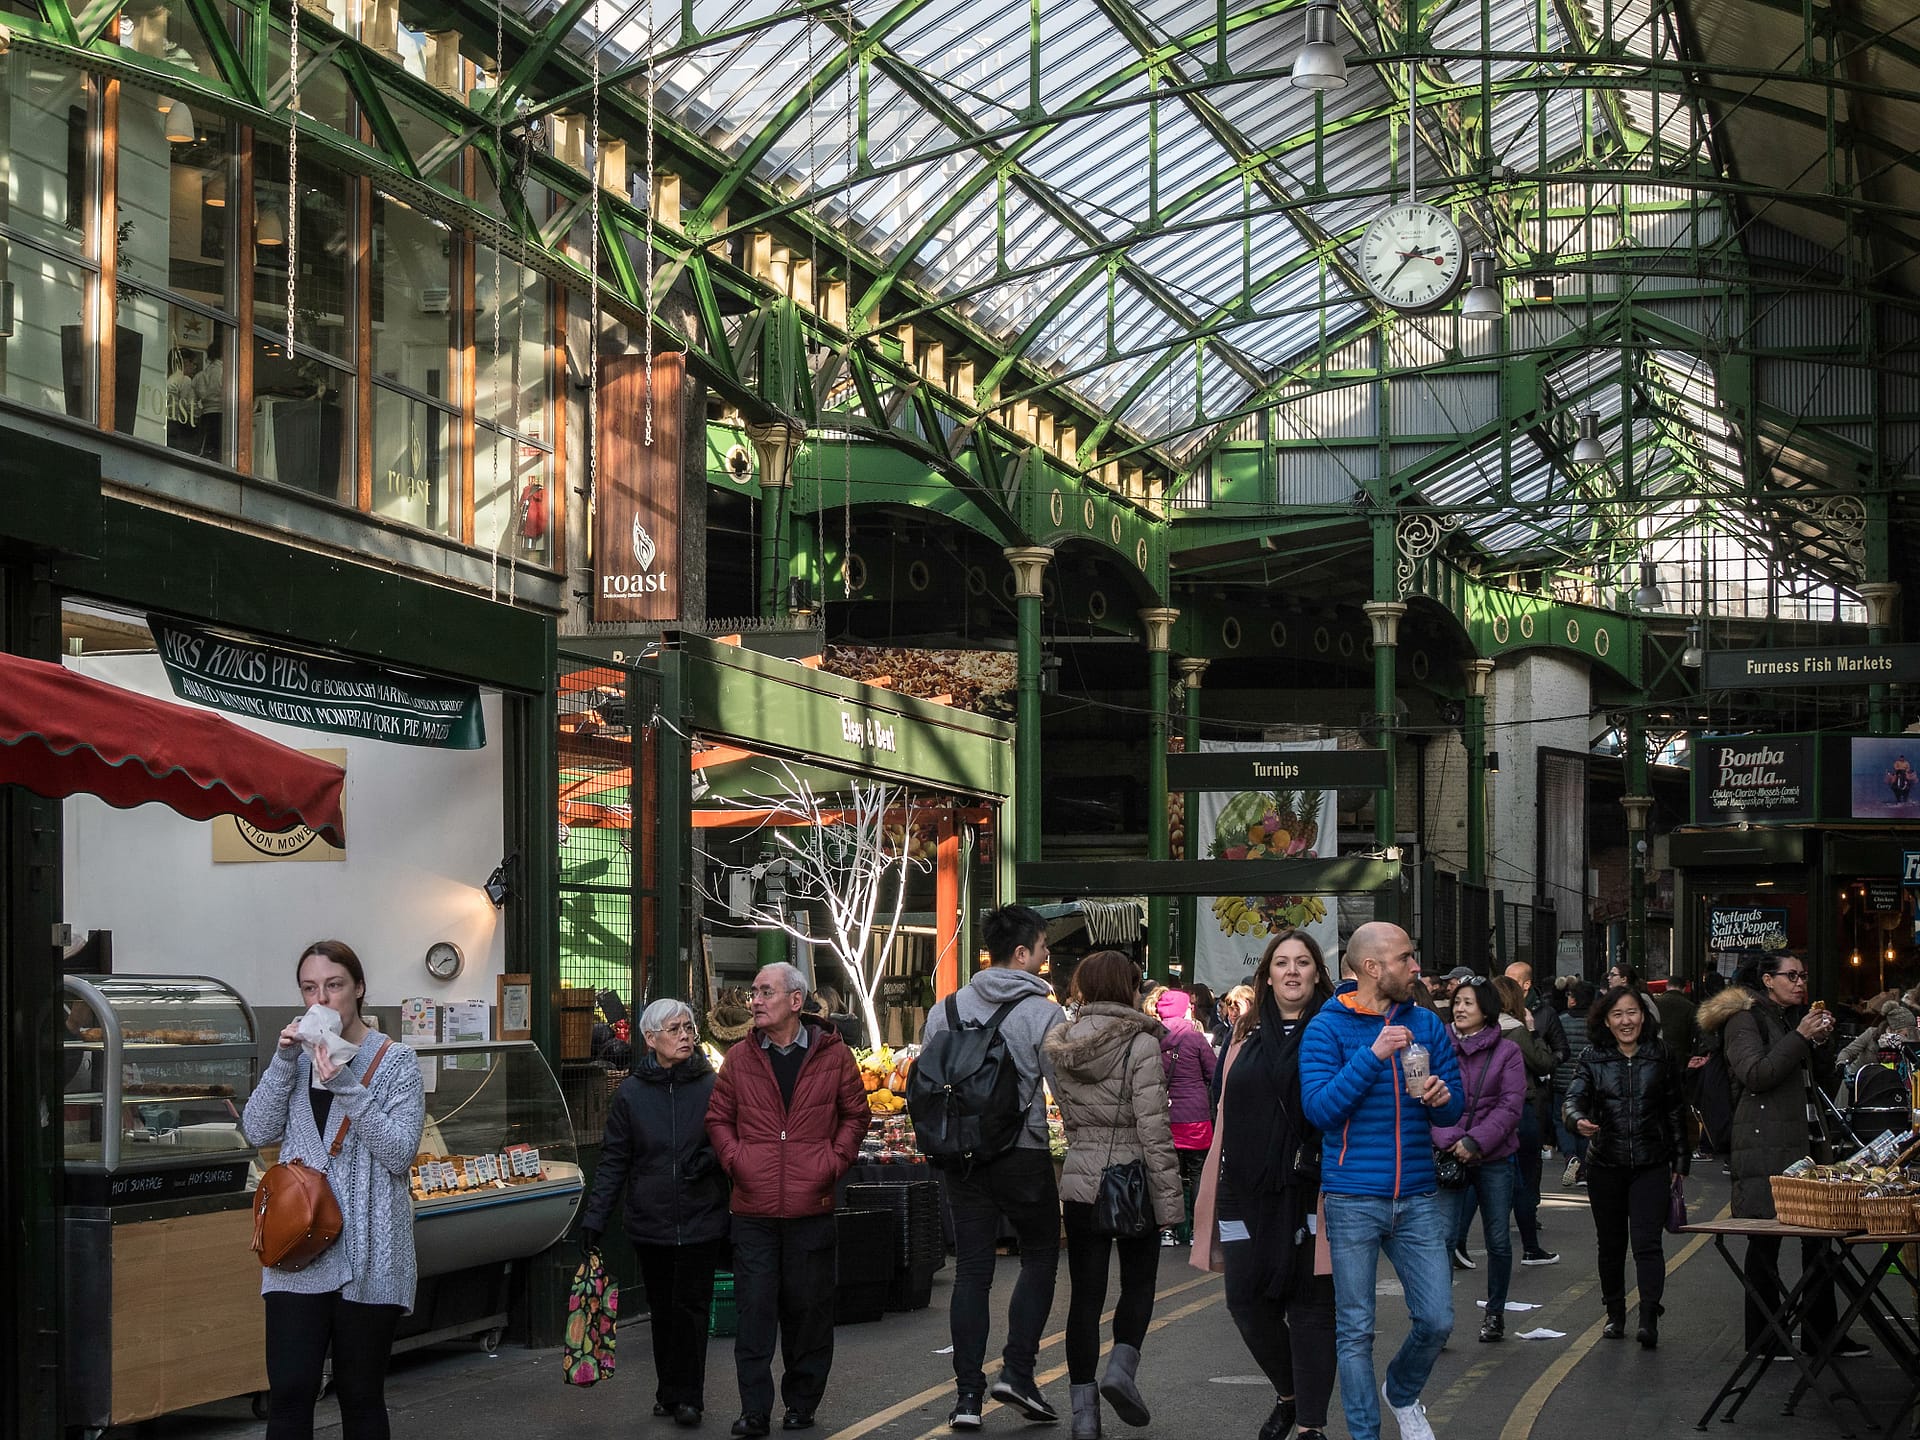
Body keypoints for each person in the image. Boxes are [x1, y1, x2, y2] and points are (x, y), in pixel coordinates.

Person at [240, 940, 426, 1440]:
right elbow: (257, 1131)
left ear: (359, 988)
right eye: (310, 988)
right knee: (291, 1391)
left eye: (334, 985)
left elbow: (398, 1153)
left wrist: (344, 1082)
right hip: (296, 1249)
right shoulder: (296, 1062)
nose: (322, 998)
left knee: (360, 1395)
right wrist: (282, 1061)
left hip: (371, 1253)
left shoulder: (397, 1062)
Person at [1299, 922, 1462, 1440]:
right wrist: (1372, 1056)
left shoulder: (1426, 1023)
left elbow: (1454, 1105)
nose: (1416, 968)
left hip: (1415, 1194)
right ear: (1373, 967)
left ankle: (1403, 1389)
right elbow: (1320, 1109)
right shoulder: (1327, 1027)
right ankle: (1365, 1435)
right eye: (1406, 958)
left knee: (1437, 1320)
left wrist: (1441, 1097)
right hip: (1351, 1197)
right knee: (1355, 1331)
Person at [706, 962, 871, 1437]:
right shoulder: (739, 1058)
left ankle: (802, 1403)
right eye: (754, 993)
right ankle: (754, 1409)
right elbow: (718, 1119)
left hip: (810, 1206)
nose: (754, 1001)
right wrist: (737, 1160)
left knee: (809, 1313)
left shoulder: (833, 1055)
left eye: (765, 992)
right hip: (752, 1210)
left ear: (795, 1002)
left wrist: (830, 1163)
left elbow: (854, 1116)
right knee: (754, 1313)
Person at [920, 903, 1068, 1430]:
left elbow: (929, 1077)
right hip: (1022, 1153)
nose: (1047, 959)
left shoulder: (947, 1009)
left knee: (973, 1270)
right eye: (1045, 948)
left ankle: (966, 1398)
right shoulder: (1044, 1013)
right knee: (1041, 1253)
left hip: (961, 1155)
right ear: (1022, 952)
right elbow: (1063, 1089)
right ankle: (1019, 1372)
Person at [1192, 930, 1338, 1440]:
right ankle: (1290, 1394)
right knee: (1245, 1301)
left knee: (1312, 1306)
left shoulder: (1336, 1026)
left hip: (1312, 1186)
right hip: (1244, 1188)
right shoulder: (1244, 1032)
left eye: (1303, 963)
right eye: (1282, 963)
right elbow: (1221, 1103)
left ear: (1318, 972)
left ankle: (1311, 1425)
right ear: (1268, 974)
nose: (1292, 972)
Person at [1044, 951, 1183, 1440]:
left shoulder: (1061, 1046)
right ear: (1127, 987)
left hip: (1081, 1181)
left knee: (1085, 1295)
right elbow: (1154, 1128)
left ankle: (1084, 1416)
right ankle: (1121, 1371)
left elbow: (1068, 1112)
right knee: (1139, 1283)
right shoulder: (1140, 1044)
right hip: (1131, 1182)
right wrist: (1170, 1201)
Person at [1699, 954, 1866, 1360]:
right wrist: (1801, 1037)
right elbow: (1756, 1074)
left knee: (1820, 1238)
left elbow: (1813, 1079)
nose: (1800, 983)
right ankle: (1764, 1337)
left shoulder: (1788, 1019)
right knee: (1765, 1240)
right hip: (1762, 1146)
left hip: (1804, 1141)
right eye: (1791, 976)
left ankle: (1821, 1332)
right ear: (1768, 980)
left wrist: (1820, 1043)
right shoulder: (1745, 1018)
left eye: (1803, 976)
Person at [579, 999, 730, 1427]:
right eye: (674, 1029)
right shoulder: (631, 1093)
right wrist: (595, 1218)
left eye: (688, 1027)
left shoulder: (711, 1085)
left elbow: (731, 1136)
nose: (685, 1036)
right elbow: (613, 1160)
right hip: (652, 1219)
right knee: (663, 1309)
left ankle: (690, 1398)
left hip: (702, 1216)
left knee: (692, 1308)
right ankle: (668, 1390)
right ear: (651, 1039)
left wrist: (712, 1157)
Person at [1562, 984, 1688, 1348]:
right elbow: (1573, 1098)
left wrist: (1680, 1161)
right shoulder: (1592, 1056)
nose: (1625, 1020)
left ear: (1644, 1016)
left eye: (1632, 1012)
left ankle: (1649, 1314)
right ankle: (1615, 1313)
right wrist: (1577, 1119)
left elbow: (1676, 1111)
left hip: (1651, 1163)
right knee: (1611, 1244)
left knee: (1647, 1244)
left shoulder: (1661, 1054)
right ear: (1605, 1020)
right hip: (1606, 1164)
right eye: (1617, 1014)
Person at [1432, 978, 1525, 1339]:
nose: (1459, 1009)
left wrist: (1475, 1141)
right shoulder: (1439, 1045)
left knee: (1498, 1239)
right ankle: (1437, 1319)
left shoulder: (1508, 1052)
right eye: (1457, 1002)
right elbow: (1424, 1095)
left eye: (1468, 1003)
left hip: (1494, 1157)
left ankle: (1495, 1313)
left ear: (1486, 1009)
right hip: (1448, 1155)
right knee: (1442, 1240)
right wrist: (1451, 1138)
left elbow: (1511, 1105)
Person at [1492, 974, 1559, 1266]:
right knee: (1525, 1179)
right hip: (1521, 1107)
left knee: (1487, 1179)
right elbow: (1542, 1062)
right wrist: (1533, 1032)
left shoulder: (1484, 1029)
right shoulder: (1518, 1031)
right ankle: (1530, 1246)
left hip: (1489, 1111)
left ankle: (1458, 1244)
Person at [1154, 987, 1217, 1244]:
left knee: (1168, 1172)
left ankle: (1167, 1230)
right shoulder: (1195, 1038)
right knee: (1198, 1170)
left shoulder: (1152, 1038)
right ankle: (1197, 1231)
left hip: (1163, 1114)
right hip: (1195, 1116)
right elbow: (1214, 1073)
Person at [1552, 981, 1595, 1185]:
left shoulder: (1561, 1020)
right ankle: (1585, 1170)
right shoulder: (1596, 1023)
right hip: (1588, 1082)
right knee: (1585, 1122)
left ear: (1574, 999)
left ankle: (1570, 1157)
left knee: (1562, 1121)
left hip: (1562, 1080)